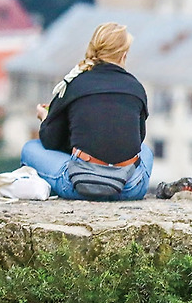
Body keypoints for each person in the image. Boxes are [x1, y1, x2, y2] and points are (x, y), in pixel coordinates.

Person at [21, 22, 153, 201]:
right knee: (145, 151)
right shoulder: (136, 88)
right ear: (124, 55)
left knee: (31, 148)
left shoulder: (74, 84)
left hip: (79, 186)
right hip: (128, 189)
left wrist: (46, 119)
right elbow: (138, 139)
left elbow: (51, 141)